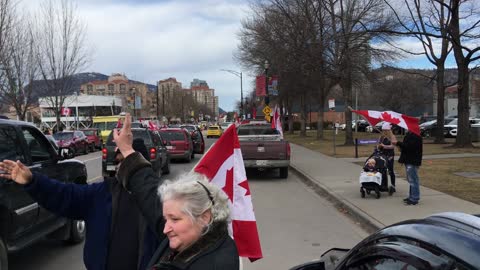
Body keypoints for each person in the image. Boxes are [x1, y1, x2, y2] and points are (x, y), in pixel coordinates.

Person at [0, 138, 161, 270]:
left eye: (126, 162)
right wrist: (32, 181)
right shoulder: (102, 193)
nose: (120, 166)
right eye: (119, 161)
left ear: (141, 166)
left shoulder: (160, 200)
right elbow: (64, 194)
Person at [113, 113, 239, 270]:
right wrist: (126, 150)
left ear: (205, 217)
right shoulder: (196, 236)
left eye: (174, 219)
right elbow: (150, 194)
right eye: (167, 219)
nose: (165, 229)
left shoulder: (212, 264)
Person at [391, 130, 423, 205]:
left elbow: (410, 147)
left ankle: (414, 198)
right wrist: (399, 146)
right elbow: (406, 146)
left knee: (413, 180)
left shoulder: (416, 136)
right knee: (410, 179)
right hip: (408, 160)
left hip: (413, 161)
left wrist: (398, 143)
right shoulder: (409, 134)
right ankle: (411, 196)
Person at [378, 122, 396, 193]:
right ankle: (383, 185)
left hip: (390, 155)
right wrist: (379, 146)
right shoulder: (381, 137)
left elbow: (393, 146)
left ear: (389, 130)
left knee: (390, 170)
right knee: (382, 170)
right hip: (383, 155)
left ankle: (393, 185)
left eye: (386, 130)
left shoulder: (392, 137)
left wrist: (384, 146)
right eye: (383, 130)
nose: (384, 132)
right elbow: (379, 145)